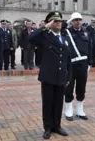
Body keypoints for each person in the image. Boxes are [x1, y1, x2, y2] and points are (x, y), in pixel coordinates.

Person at [29, 11, 71, 139]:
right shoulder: (45, 36)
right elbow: (31, 38)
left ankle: (57, 126)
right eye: (55, 21)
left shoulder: (64, 38)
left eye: (59, 21)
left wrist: (68, 76)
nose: (58, 23)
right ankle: (47, 127)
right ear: (50, 22)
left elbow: (67, 59)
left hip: (61, 76)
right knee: (48, 103)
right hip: (48, 76)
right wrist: (46, 26)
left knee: (58, 103)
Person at [64, 12, 92, 121]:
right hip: (70, 64)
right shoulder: (66, 32)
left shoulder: (86, 32)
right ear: (71, 21)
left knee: (81, 87)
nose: (78, 22)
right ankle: (68, 110)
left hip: (83, 64)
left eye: (79, 19)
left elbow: (90, 47)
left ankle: (80, 110)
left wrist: (90, 62)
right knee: (69, 87)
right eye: (75, 20)